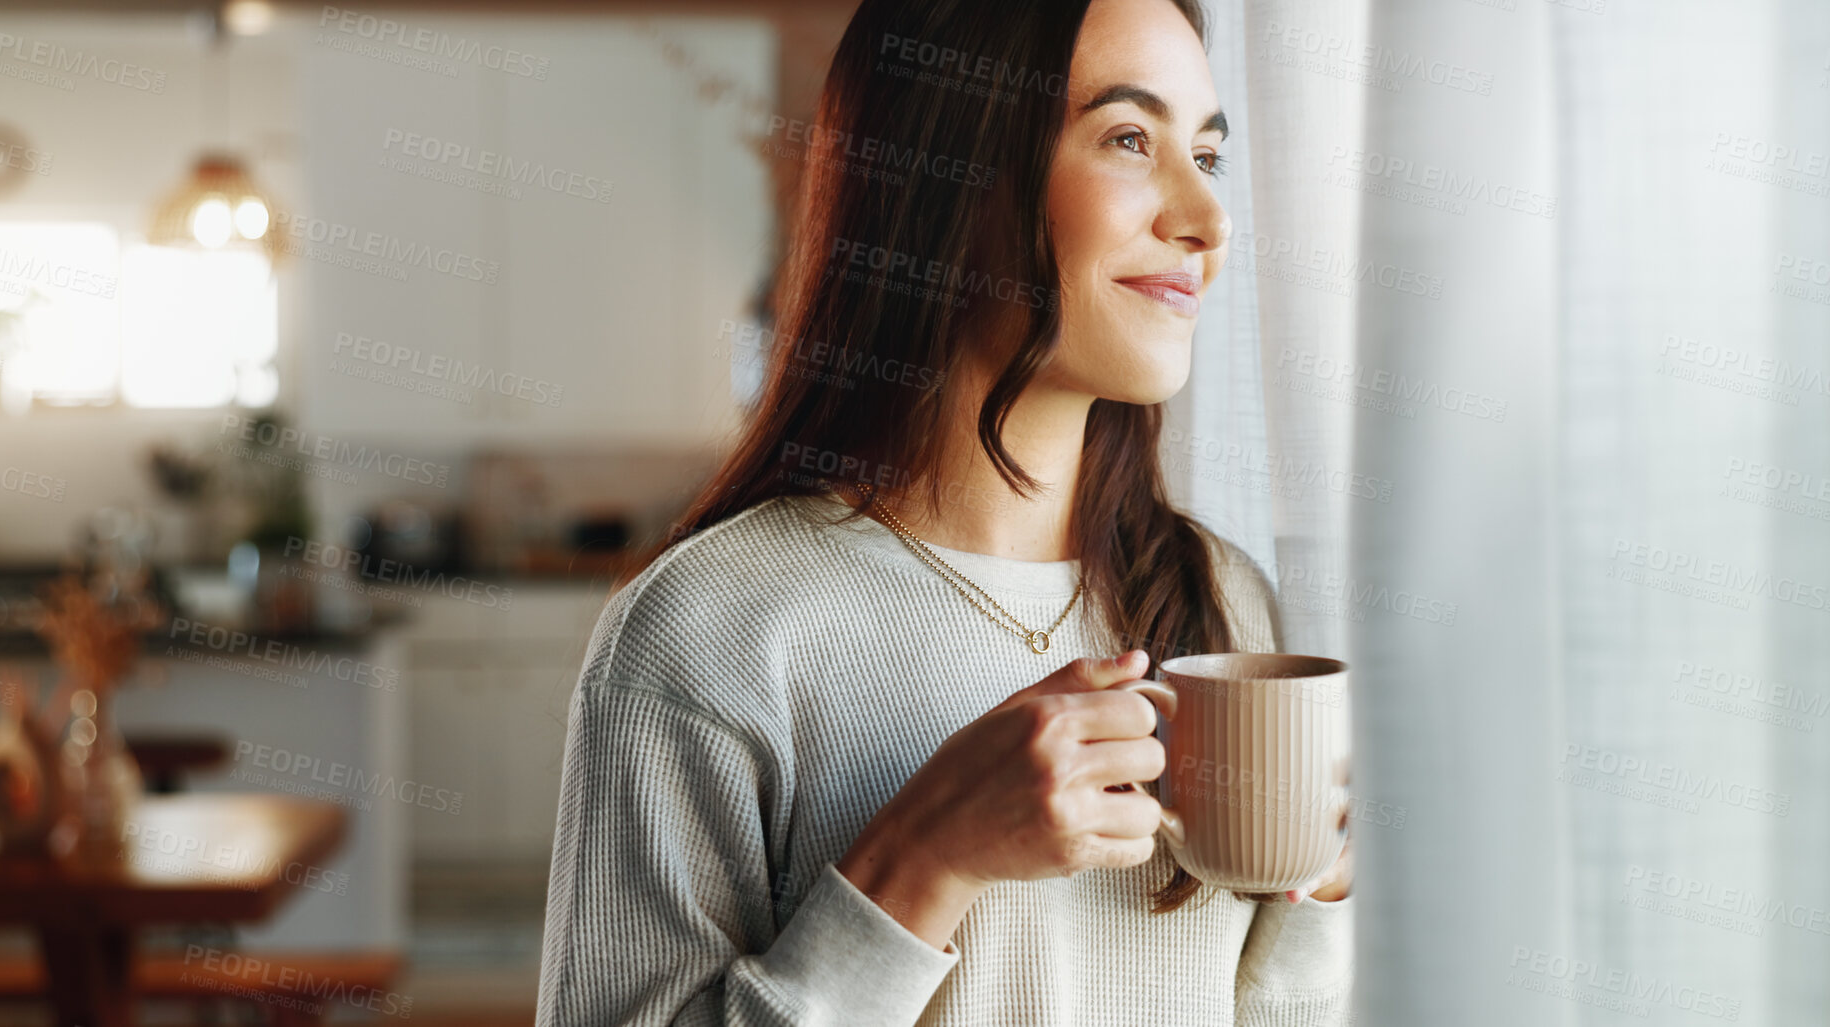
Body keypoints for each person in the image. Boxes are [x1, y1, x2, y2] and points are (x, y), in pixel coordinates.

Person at [537, 0, 1353, 1022]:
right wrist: (923, 858)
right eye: (1131, 140)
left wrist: (1321, 891)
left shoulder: (1222, 600)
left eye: (1208, 154)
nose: (1207, 219)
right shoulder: (707, 628)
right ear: (950, 176)